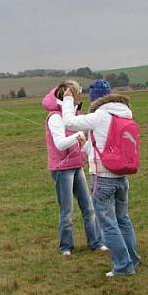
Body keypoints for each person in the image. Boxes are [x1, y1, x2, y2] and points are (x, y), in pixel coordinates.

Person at [61, 85, 141, 277]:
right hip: (122, 177)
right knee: (123, 220)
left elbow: (69, 122)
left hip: (103, 179)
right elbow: (106, 146)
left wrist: (68, 99)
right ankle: (132, 259)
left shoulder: (100, 115)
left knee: (108, 224)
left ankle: (123, 266)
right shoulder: (125, 113)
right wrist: (87, 146)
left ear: (96, 100)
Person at [43, 81, 104, 256]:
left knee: (89, 207)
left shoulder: (74, 114)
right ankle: (66, 247)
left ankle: (96, 242)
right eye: (78, 92)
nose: (81, 95)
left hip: (77, 165)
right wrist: (78, 136)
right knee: (67, 211)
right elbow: (60, 144)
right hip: (62, 169)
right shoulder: (55, 117)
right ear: (68, 95)